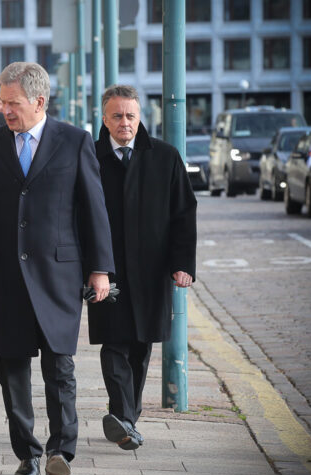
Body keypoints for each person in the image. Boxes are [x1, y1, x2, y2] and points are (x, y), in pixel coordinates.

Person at [0, 62, 114, 475]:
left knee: (60, 367)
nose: (5, 110)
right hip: (4, 275)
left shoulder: (74, 141)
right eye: (2, 103)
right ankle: (27, 453)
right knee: (11, 368)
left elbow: (93, 208)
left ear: (39, 101)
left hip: (59, 274)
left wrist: (100, 270)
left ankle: (61, 450)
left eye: (13, 104)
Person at [90, 84, 197, 450]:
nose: (124, 123)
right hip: (107, 270)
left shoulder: (165, 158)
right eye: (117, 116)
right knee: (114, 341)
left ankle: (125, 419)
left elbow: (183, 213)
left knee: (140, 345)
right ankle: (122, 415)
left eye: (130, 116)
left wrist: (182, 264)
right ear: (104, 119)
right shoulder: (90, 158)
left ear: (140, 118)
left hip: (152, 272)